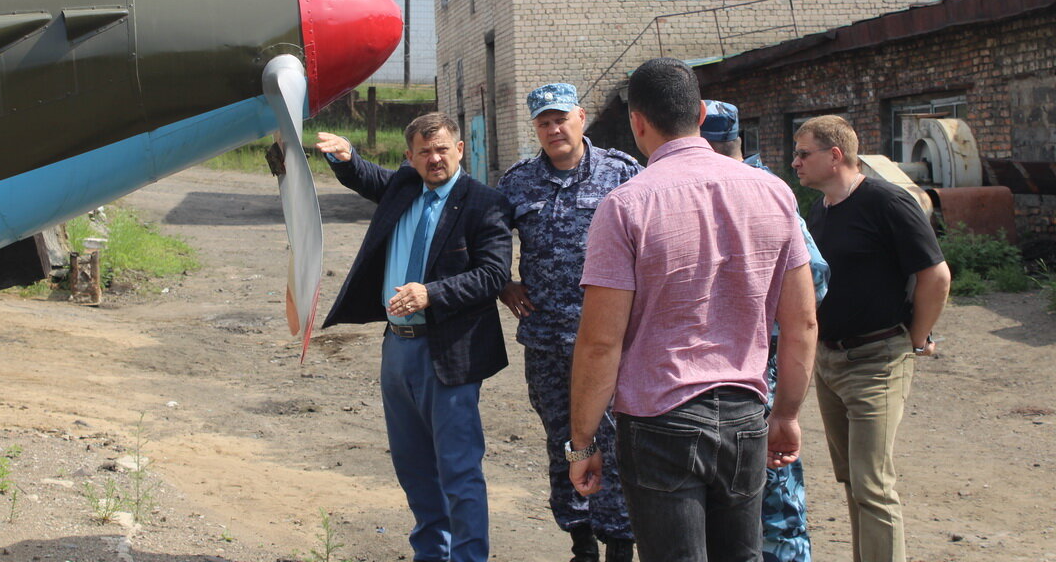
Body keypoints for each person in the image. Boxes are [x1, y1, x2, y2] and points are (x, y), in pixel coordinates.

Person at [567, 58, 818, 562]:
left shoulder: (626, 205)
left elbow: (600, 341)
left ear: (637, 121)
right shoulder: (774, 193)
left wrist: (582, 441)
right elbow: (802, 322)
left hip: (661, 423)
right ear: (702, 113)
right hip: (746, 413)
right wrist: (786, 413)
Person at [316, 113, 513, 562]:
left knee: (459, 470)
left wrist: (431, 293)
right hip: (397, 350)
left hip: (449, 354)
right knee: (413, 467)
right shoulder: (405, 188)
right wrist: (347, 158)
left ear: (460, 150)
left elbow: (493, 274)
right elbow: (370, 178)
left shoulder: (485, 202)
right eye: (424, 152)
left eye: (443, 149)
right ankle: (432, 553)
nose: (435, 159)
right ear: (411, 158)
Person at [791, 115, 950, 562]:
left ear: (835, 155)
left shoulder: (887, 202)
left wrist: (915, 340)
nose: (795, 162)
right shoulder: (820, 209)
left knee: (873, 484)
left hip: (878, 358)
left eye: (804, 153)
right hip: (830, 360)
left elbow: (935, 276)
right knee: (852, 479)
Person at [497, 83, 642, 562]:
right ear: (535, 128)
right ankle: (581, 541)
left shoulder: (621, 172)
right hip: (548, 342)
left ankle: (620, 540)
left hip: (612, 338)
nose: (554, 129)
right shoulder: (517, 182)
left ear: (581, 117)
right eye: (543, 122)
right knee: (564, 438)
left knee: (616, 439)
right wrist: (502, 283)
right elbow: (487, 240)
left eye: (561, 119)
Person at [701, 100, 829, 562]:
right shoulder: (720, 188)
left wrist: (752, 309)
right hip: (729, 370)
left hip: (760, 365)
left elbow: (813, 280)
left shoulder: (767, 191)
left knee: (773, 500)